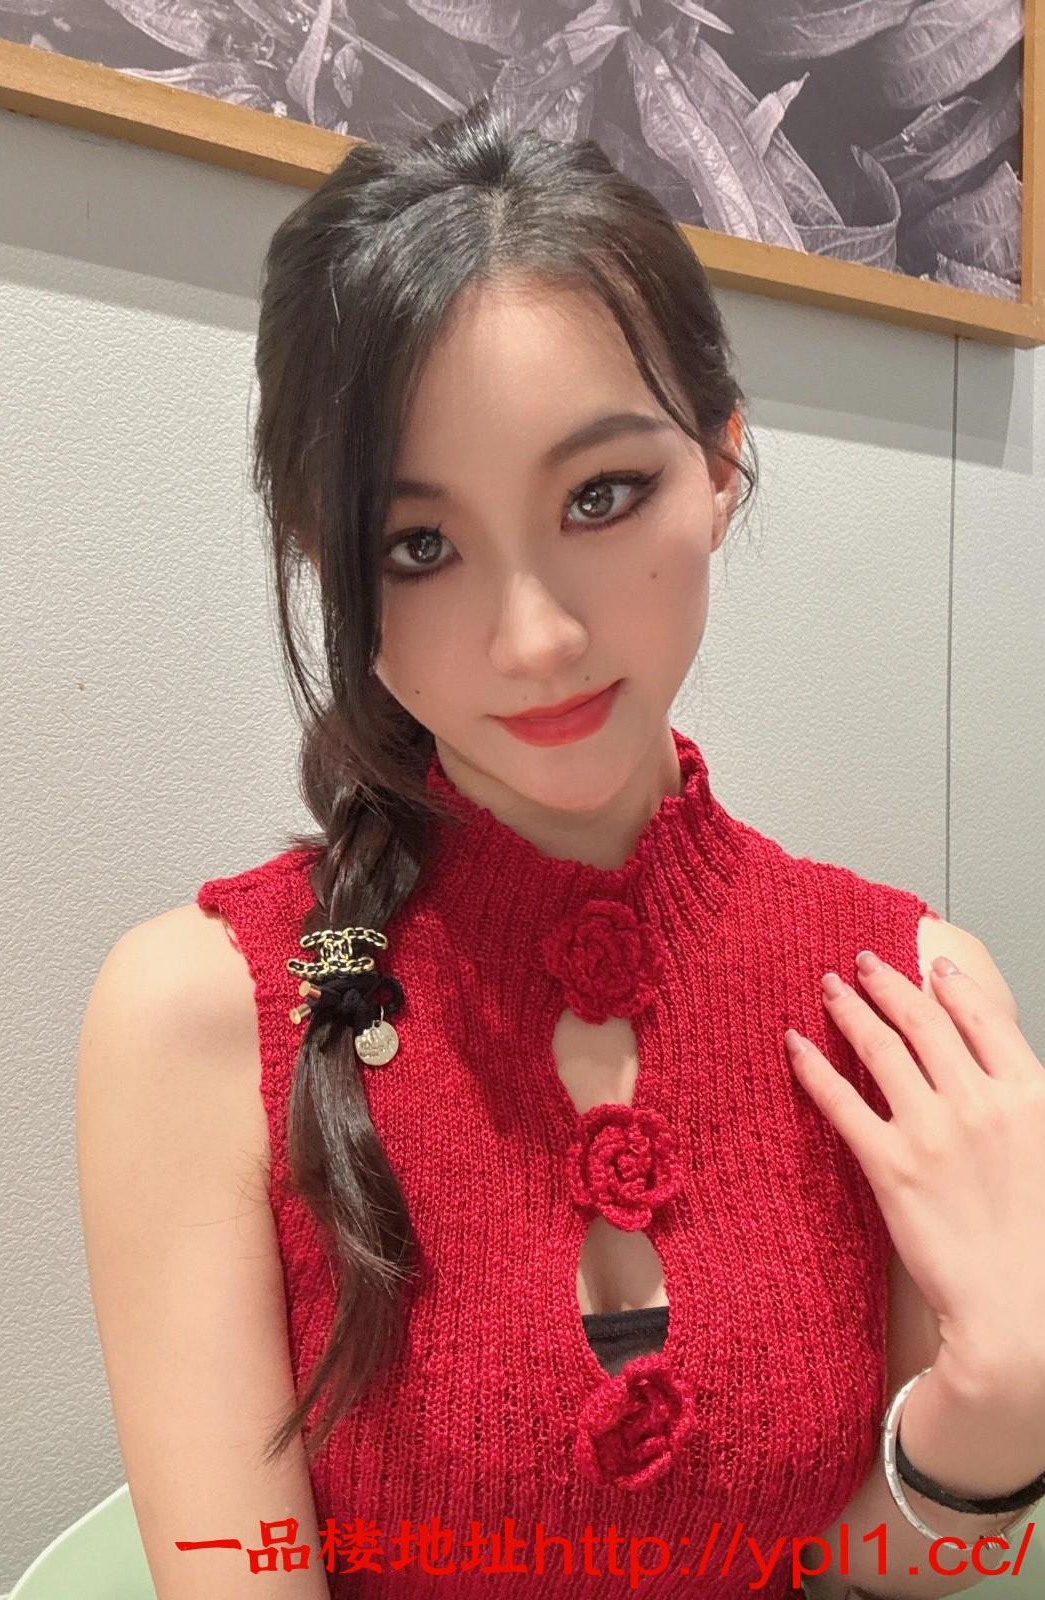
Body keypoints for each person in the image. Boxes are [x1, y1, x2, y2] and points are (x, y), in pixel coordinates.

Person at [75, 98, 1045, 1600]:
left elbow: (882, 1569)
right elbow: (233, 1565)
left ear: (722, 464)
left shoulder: (899, 995)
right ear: (324, 561)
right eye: (418, 547)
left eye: (602, 496)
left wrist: (1003, 1402)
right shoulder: (204, 1013)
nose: (532, 639)